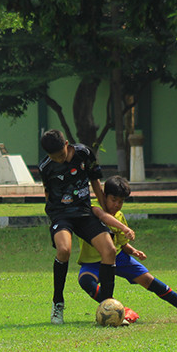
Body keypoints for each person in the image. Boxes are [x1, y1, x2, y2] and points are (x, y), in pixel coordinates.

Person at [76, 176, 177, 324]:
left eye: (121, 201)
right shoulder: (93, 207)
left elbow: (122, 244)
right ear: (104, 196)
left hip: (119, 257)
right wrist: (124, 227)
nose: (117, 204)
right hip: (93, 261)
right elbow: (103, 217)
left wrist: (133, 251)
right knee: (85, 280)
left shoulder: (120, 216)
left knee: (150, 281)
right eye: (113, 199)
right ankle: (121, 310)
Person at [39, 129, 133, 324]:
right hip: (60, 214)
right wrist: (54, 217)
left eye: (61, 155)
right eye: (53, 157)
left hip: (84, 212)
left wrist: (106, 211)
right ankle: (58, 305)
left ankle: (108, 308)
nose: (58, 160)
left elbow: (96, 182)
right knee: (64, 250)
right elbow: (48, 194)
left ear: (66, 144)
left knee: (109, 251)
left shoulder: (84, 154)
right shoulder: (46, 167)